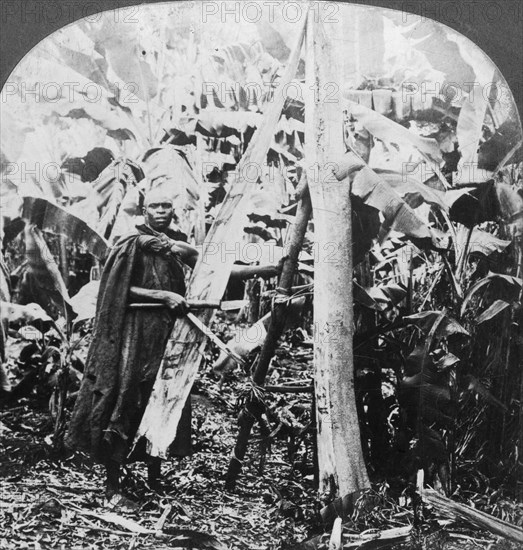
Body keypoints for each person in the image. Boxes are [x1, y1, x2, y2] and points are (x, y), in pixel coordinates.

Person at [65, 189, 198, 506]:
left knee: (160, 397)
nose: (162, 210)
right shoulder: (130, 244)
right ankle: (113, 484)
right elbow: (115, 289)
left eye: (167, 203)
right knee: (123, 396)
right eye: (156, 205)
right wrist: (162, 296)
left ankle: (154, 478)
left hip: (165, 338)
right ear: (144, 211)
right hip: (132, 337)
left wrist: (266, 270)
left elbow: (214, 267)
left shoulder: (174, 248)